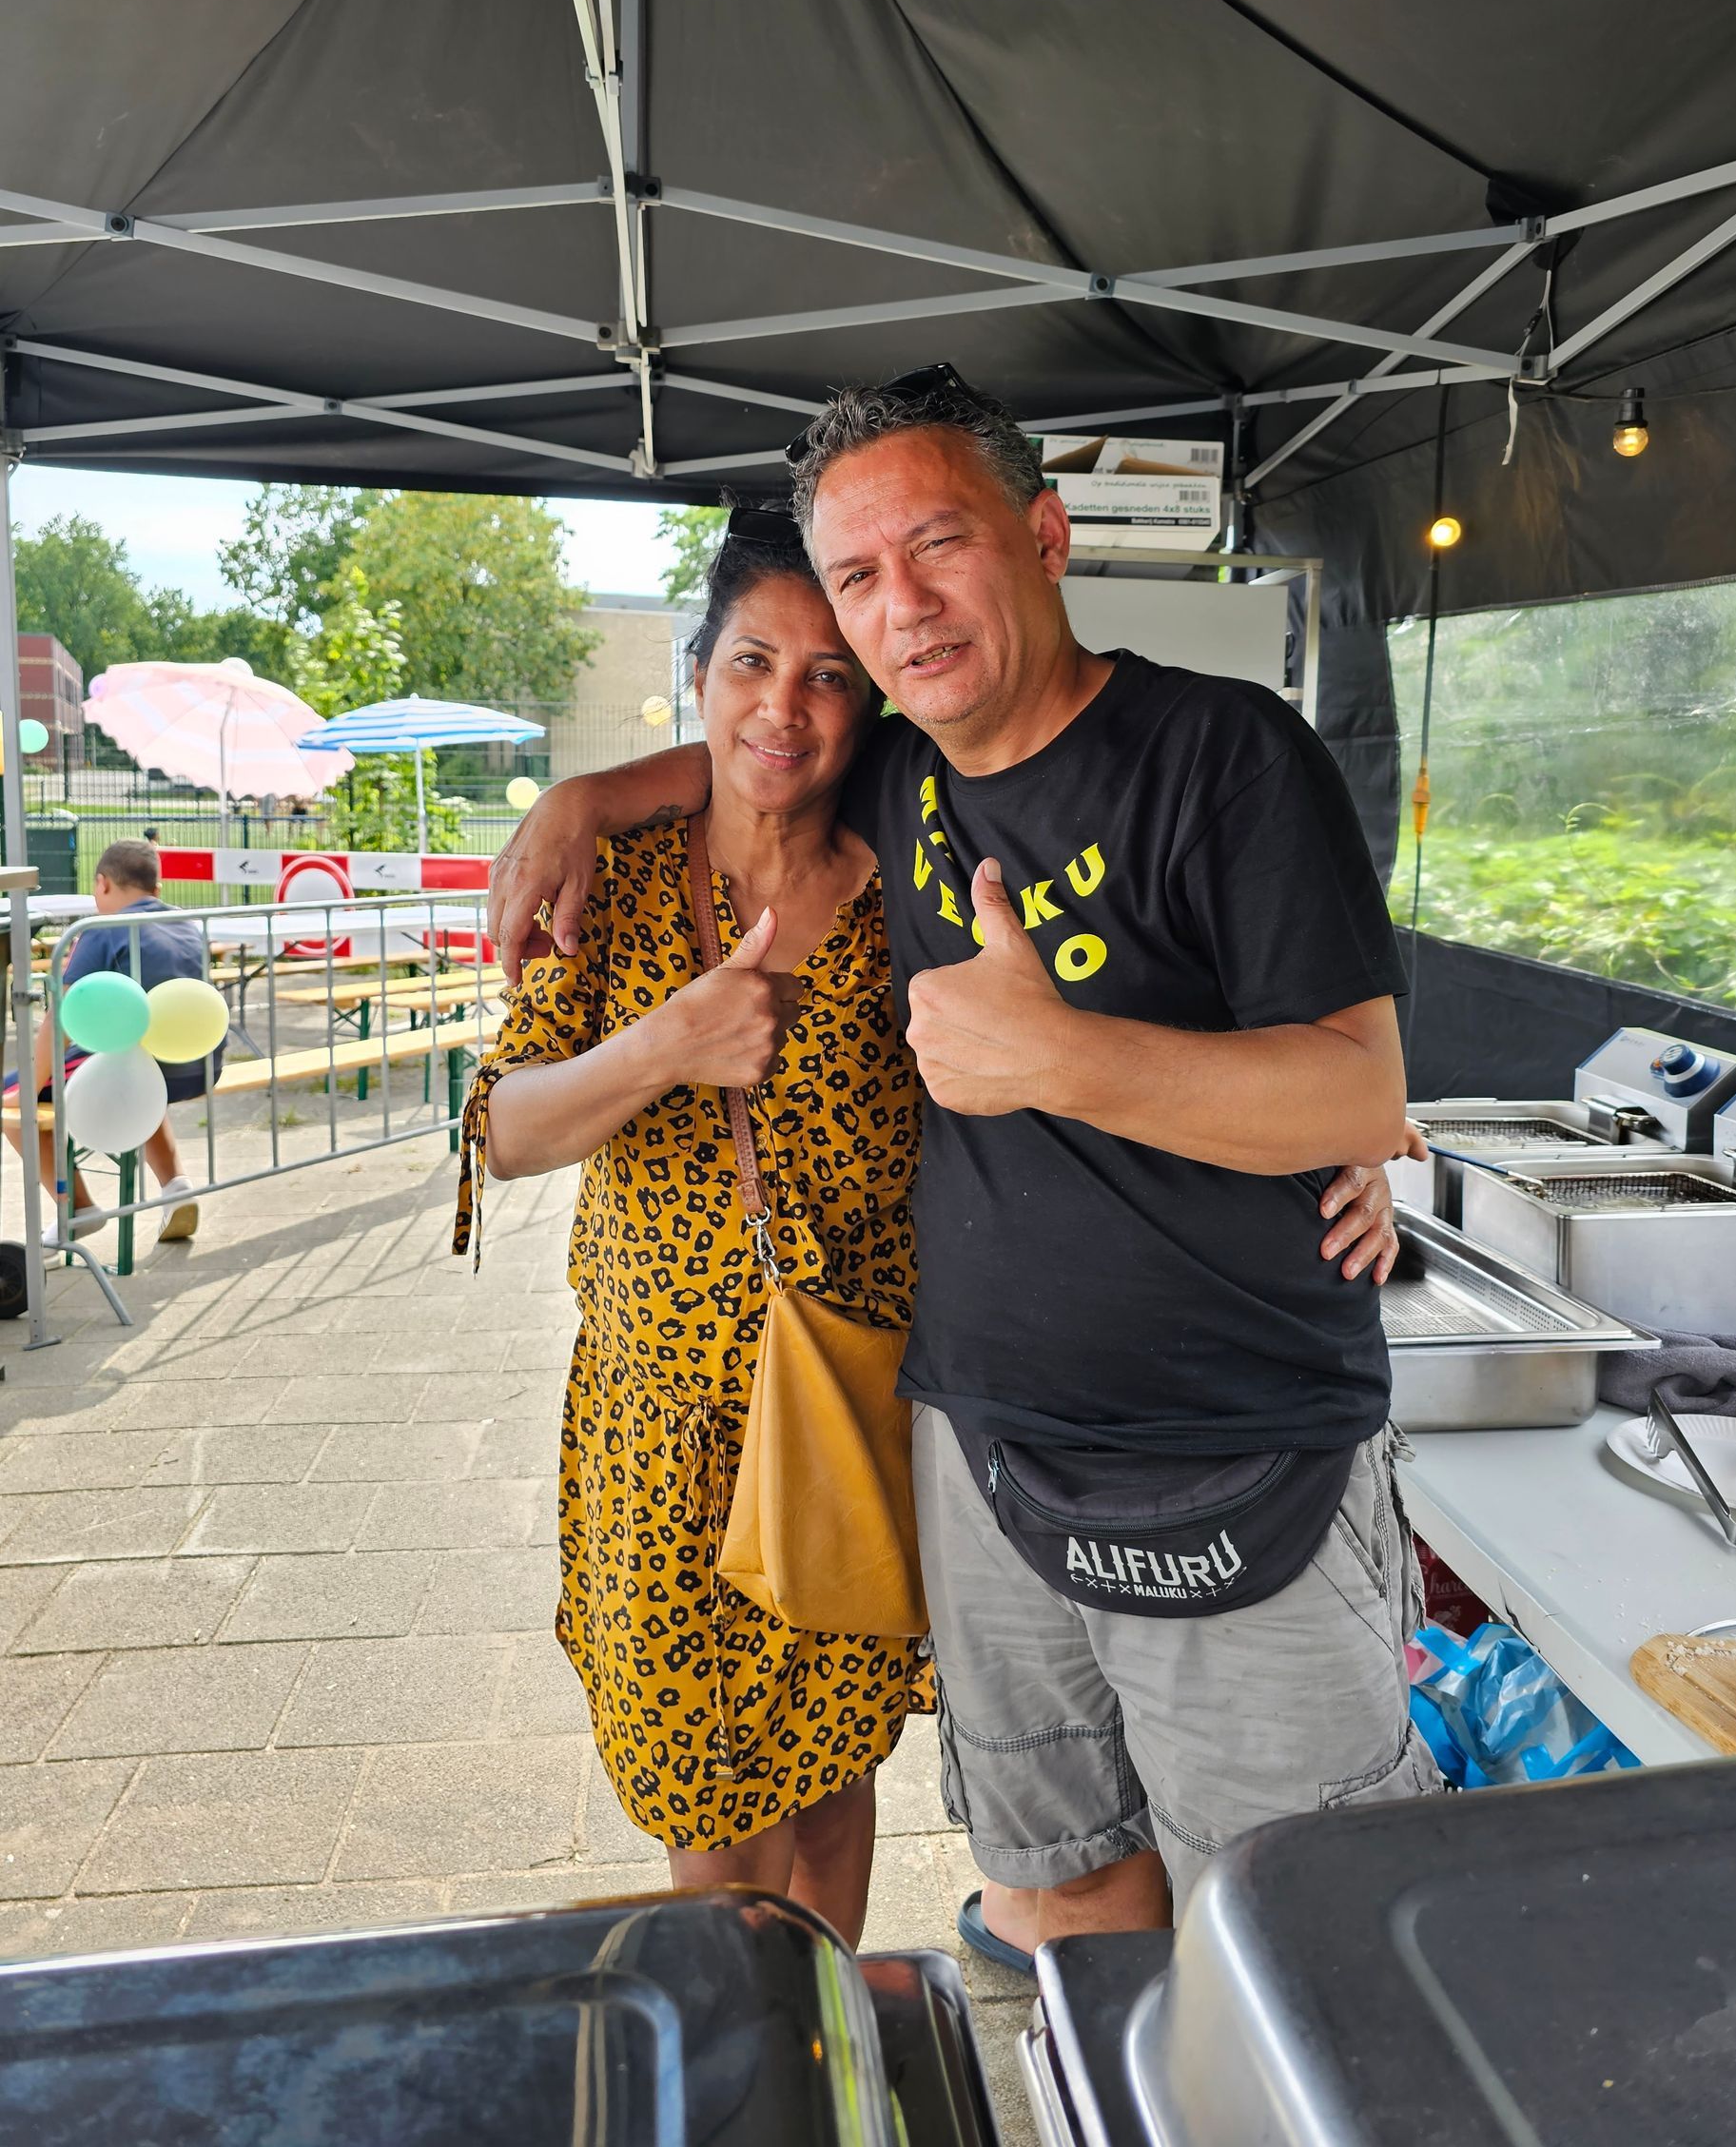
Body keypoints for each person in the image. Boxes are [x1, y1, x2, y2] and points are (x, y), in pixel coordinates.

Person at [488, 373, 1427, 1965]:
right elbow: (747, 760)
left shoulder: (1225, 756)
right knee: (1057, 1894)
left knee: (1299, 1940)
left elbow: (1358, 1088)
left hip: (1234, 1458)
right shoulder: (901, 767)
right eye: (860, 578)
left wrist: (1067, 1056)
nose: (899, 609)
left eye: (937, 548)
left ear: (1044, 535)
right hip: (978, 1463)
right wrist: (579, 801)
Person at [454, 515, 927, 1949]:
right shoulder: (625, 884)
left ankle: (823, 2048)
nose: (783, 707)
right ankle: (743, 2066)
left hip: (847, 1406)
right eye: (752, 663)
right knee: (706, 1813)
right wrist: (662, 1042)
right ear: (701, 675)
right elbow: (500, 1132)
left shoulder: (910, 889)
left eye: (831, 675)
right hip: (657, 1438)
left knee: (836, 1787)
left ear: (872, 705)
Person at [5, 839, 211, 1242]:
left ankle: (78, 1209)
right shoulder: (187, 923)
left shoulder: (101, 930)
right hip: (195, 1065)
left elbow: (61, 1019)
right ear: (158, 888)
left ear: (102, 884)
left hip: (138, 1066)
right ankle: (176, 1187)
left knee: (12, 1105)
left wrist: (26, 1091)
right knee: (138, 1068)